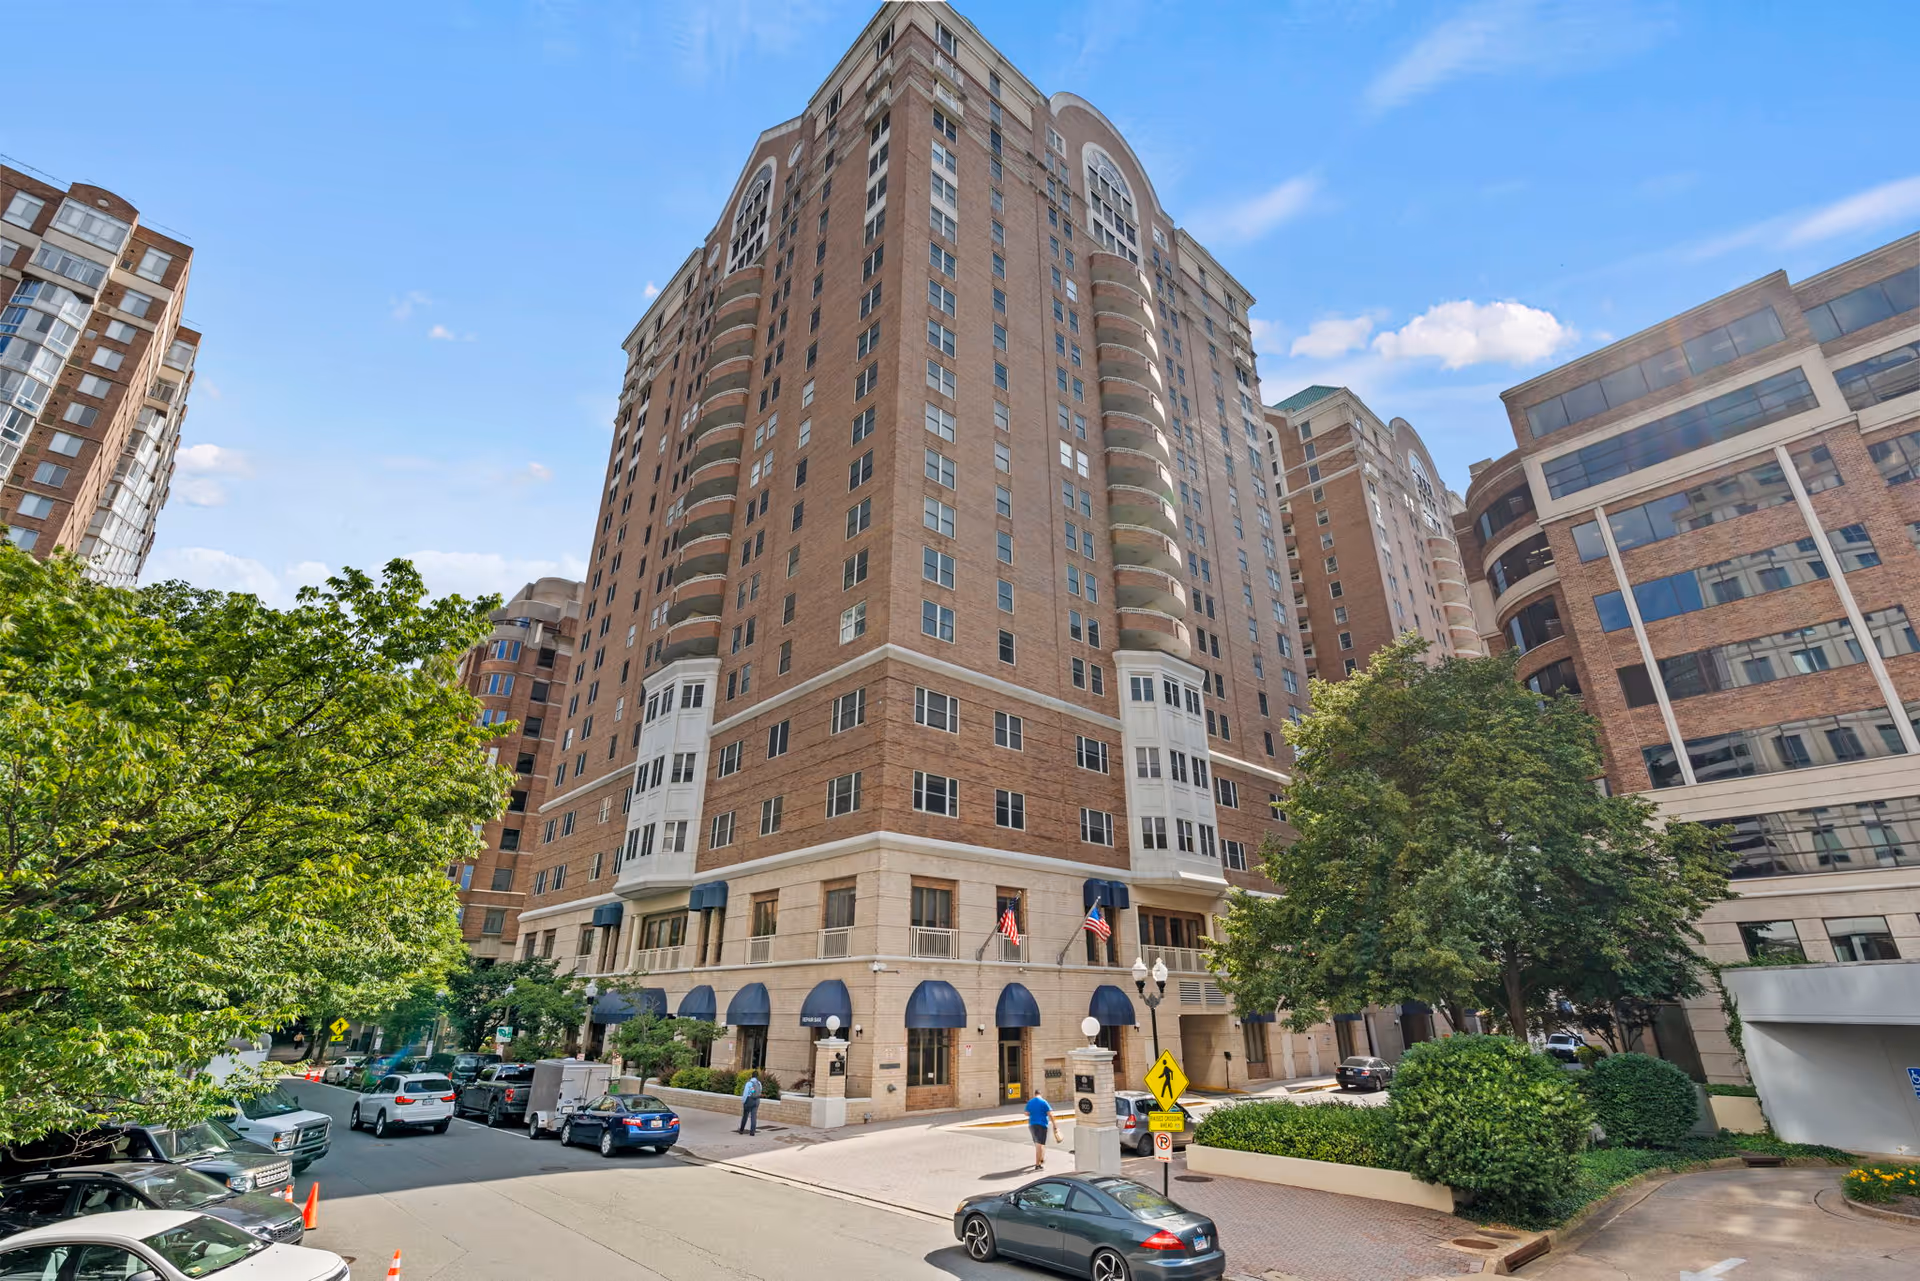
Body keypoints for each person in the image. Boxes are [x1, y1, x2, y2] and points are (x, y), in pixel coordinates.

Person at [1024, 1092, 1059, 1170]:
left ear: (1034, 1094)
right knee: (1039, 1145)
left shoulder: (1030, 1102)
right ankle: (1038, 1164)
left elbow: (1026, 1113)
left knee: (1039, 1143)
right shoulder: (1044, 1102)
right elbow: (1050, 1114)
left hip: (1032, 1125)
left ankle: (1041, 1158)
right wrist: (1055, 1125)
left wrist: (1033, 1113)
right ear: (1041, 1094)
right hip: (1042, 1125)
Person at [737, 1071, 763, 1136]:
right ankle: (752, 1132)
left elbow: (746, 1093)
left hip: (749, 1100)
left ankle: (741, 1130)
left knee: (745, 1115)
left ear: (752, 1076)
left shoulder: (749, 1083)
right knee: (754, 1116)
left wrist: (743, 1101)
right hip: (757, 1100)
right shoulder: (759, 1083)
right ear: (757, 1076)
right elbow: (760, 1091)